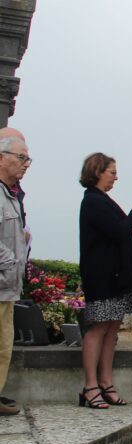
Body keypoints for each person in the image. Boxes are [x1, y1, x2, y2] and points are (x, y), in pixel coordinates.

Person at [77, 152, 132, 409]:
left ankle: (106, 382)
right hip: (103, 276)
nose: (116, 177)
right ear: (97, 172)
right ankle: (90, 385)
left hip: (117, 276)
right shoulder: (93, 202)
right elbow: (119, 231)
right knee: (98, 329)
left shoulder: (103, 200)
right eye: (112, 172)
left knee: (112, 330)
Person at [0, 135, 30, 415]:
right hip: (1, 280)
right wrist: (10, 262)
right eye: (21, 158)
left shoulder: (10, 195)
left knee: (3, 346)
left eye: (27, 159)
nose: (26, 164)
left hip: (6, 286)